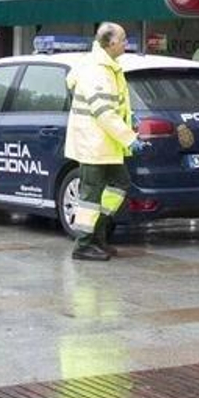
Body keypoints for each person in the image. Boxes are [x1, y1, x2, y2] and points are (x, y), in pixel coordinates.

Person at [64, 22, 153, 262]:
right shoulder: (97, 70)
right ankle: (83, 245)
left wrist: (128, 122)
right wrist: (129, 138)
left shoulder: (107, 66)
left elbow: (115, 107)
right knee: (90, 196)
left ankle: (97, 236)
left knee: (119, 184)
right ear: (111, 43)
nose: (127, 42)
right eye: (123, 39)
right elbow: (103, 112)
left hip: (104, 144)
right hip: (93, 144)